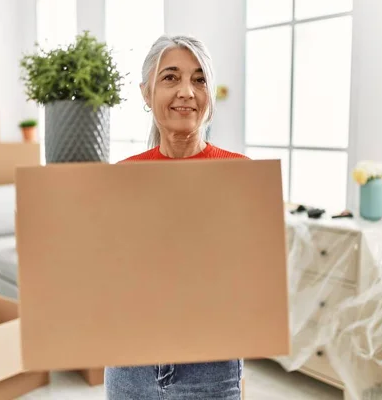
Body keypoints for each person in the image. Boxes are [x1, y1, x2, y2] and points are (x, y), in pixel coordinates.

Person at [105, 34, 248, 399]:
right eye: (170, 77)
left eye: (199, 79)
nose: (186, 91)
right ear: (145, 92)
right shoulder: (120, 178)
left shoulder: (241, 175)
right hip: (129, 362)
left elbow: (251, 285)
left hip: (210, 365)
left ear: (210, 95)